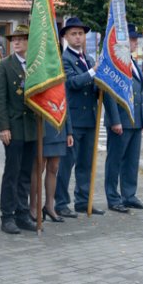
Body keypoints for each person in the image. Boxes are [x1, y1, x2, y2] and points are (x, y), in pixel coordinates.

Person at [101, 25, 143, 211]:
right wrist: (115, 120)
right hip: (121, 121)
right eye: (132, 39)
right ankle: (113, 198)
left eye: (136, 39)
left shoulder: (132, 62)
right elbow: (110, 94)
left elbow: (140, 93)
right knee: (114, 161)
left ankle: (129, 195)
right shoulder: (115, 65)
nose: (135, 42)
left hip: (135, 121)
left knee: (131, 161)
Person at [55, 17, 103, 217]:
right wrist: (93, 72)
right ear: (65, 37)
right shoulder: (64, 60)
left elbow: (93, 86)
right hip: (73, 120)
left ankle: (83, 201)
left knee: (86, 163)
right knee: (67, 164)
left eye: (81, 34)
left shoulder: (89, 59)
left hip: (90, 119)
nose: (77, 37)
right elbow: (72, 83)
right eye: (73, 34)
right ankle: (61, 203)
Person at [0, 24, 38, 235]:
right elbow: (0, 99)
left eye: (21, 38)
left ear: (30, 41)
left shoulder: (36, 65)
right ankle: (7, 215)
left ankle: (22, 213)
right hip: (14, 127)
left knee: (26, 173)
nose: (17, 42)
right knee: (12, 173)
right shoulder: (5, 66)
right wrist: (3, 127)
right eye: (14, 39)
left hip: (32, 127)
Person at [32, 117, 73, 222]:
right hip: (42, 124)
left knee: (54, 167)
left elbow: (65, 105)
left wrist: (69, 132)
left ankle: (49, 206)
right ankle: (33, 207)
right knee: (38, 168)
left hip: (58, 125)